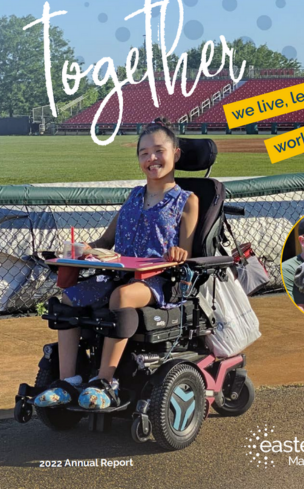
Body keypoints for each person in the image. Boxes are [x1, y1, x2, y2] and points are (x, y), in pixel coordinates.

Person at [34, 117, 199, 410]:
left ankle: (105, 382)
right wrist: (86, 249)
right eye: (144, 153)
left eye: (159, 151)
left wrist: (177, 253)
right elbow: (106, 241)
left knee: (121, 296)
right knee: (70, 296)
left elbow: (185, 251)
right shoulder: (133, 196)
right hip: (117, 275)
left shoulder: (186, 200)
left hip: (158, 280)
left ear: (175, 153)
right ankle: (68, 381)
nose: (151, 158)